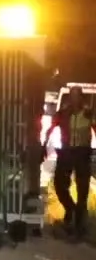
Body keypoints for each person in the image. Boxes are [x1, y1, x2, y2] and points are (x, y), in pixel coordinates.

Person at [49, 86, 92, 239]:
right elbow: (51, 127)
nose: (74, 99)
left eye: (77, 96)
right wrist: (43, 146)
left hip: (82, 153)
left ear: (81, 98)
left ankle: (79, 224)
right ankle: (70, 209)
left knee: (82, 190)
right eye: (72, 96)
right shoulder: (63, 113)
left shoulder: (88, 113)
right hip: (66, 152)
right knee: (59, 184)